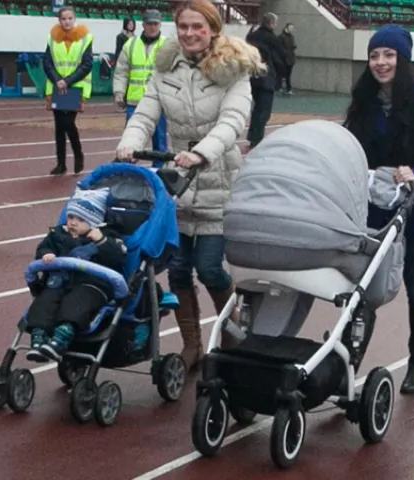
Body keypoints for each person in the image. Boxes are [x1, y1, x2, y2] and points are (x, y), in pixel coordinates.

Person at [114, 0, 264, 371]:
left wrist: (202, 153)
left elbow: (232, 122)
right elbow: (147, 112)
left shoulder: (234, 72)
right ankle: (192, 345)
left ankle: (230, 340)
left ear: (213, 29)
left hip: (218, 180)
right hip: (177, 183)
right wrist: (130, 141)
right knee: (178, 269)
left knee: (210, 267)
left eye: (198, 27)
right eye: (183, 27)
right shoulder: (165, 69)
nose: (190, 34)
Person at [342, 24, 414, 395]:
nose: (380, 62)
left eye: (388, 55)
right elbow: (348, 147)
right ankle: (345, 362)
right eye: (374, 55)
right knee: (362, 293)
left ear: (402, 59)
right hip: (375, 214)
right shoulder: (364, 100)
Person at [25, 187, 128, 363]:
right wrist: (47, 254)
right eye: (71, 216)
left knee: (77, 303)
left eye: (80, 219)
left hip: (92, 284)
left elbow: (117, 258)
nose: (73, 222)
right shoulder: (58, 234)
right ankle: (39, 336)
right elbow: (44, 247)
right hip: (60, 281)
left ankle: (61, 337)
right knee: (45, 300)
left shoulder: (107, 237)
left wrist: (101, 241)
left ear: (95, 222)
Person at [42, 6, 94, 176]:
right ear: (59, 20)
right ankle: (61, 163)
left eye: (70, 18)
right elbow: (47, 62)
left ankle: (78, 155)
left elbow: (87, 64)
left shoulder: (84, 38)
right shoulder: (53, 38)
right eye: (64, 19)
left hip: (75, 87)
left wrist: (68, 81)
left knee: (67, 122)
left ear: (75, 19)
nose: (67, 22)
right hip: (57, 87)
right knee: (59, 126)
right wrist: (57, 80)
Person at [113, 9, 168, 158]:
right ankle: (128, 171)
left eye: (155, 24)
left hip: (159, 102)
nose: (152, 27)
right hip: (134, 101)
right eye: (149, 23)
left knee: (160, 142)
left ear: (160, 24)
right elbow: (121, 71)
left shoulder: (168, 45)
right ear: (143, 24)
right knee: (130, 141)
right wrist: (119, 92)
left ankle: (160, 170)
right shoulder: (130, 45)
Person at [244, 12, 285, 149]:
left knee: (256, 109)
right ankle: (256, 138)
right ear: (272, 23)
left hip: (251, 75)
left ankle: (252, 136)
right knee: (263, 110)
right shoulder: (272, 39)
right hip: (266, 78)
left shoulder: (251, 36)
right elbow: (279, 59)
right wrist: (280, 75)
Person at [278, 23, 296, 95]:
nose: (292, 30)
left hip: (290, 58)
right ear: (286, 28)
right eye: (290, 28)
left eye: (292, 28)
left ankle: (288, 89)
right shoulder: (281, 37)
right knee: (283, 74)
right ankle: (281, 88)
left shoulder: (291, 37)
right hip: (284, 58)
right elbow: (279, 47)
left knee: (288, 74)